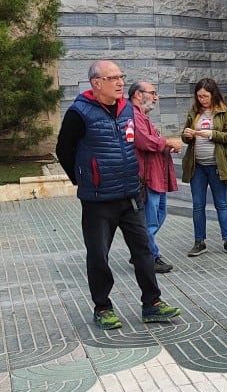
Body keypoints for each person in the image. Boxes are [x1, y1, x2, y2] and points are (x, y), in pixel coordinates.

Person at [56, 60, 182, 330]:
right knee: (98, 254)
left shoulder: (126, 109)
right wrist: (85, 179)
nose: (120, 82)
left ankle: (152, 303)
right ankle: (102, 307)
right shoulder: (79, 112)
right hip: (98, 199)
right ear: (96, 83)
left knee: (143, 250)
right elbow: (63, 150)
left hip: (130, 194)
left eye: (121, 76)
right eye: (112, 78)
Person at [181, 78, 227, 258]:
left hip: (217, 165)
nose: (202, 100)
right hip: (197, 166)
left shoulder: (224, 111)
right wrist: (186, 135)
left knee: (221, 204)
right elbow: (185, 137)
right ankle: (199, 242)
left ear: (213, 95)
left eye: (205, 96)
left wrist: (212, 134)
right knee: (198, 205)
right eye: (199, 96)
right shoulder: (194, 111)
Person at [129, 80, 180, 273]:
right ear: (138, 94)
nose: (156, 97)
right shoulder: (133, 115)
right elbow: (143, 141)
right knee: (150, 220)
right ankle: (149, 256)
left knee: (159, 214)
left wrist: (166, 146)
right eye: (152, 93)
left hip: (156, 175)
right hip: (147, 177)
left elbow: (152, 141)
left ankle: (141, 250)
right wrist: (167, 142)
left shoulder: (142, 116)